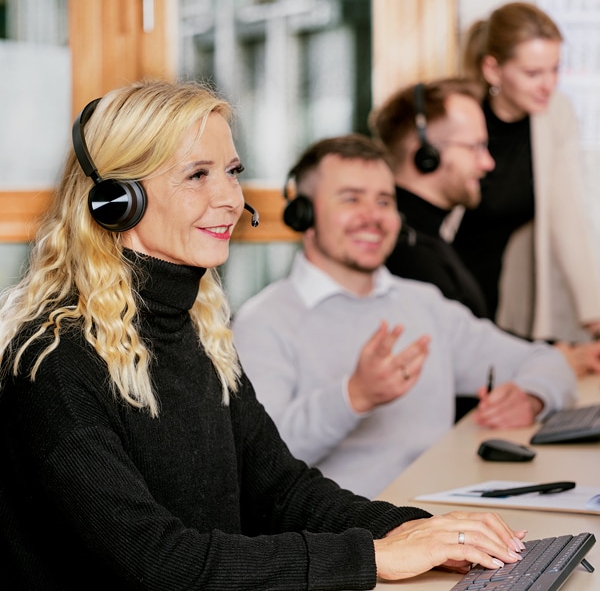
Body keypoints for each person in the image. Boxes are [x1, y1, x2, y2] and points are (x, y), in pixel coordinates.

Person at [0, 79, 534, 589]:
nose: (230, 198)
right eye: (197, 175)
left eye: (231, 171)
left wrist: (419, 530)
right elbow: (158, 563)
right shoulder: (53, 362)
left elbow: (281, 489)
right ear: (117, 200)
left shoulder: (195, 332)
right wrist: (374, 557)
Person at [232, 132, 576, 500]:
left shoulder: (424, 304)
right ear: (303, 214)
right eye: (351, 199)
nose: (373, 217)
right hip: (349, 540)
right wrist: (354, 396)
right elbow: (261, 465)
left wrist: (532, 397)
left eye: (384, 201)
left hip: (445, 519)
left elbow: (545, 361)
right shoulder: (263, 322)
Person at [369, 77, 600, 389]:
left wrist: (560, 353)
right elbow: (465, 359)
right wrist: (560, 359)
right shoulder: (407, 250)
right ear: (425, 154)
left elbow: (476, 339)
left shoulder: (427, 235)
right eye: (475, 147)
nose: (488, 163)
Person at [452, 1, 600, 344]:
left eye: (555, 69)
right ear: (493, 70)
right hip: (449, 280)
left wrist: (592, 312)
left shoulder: (556, 113)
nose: (548, 84)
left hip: (507, 293)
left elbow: (567, 216)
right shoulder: (460, 113)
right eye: (533, 73)